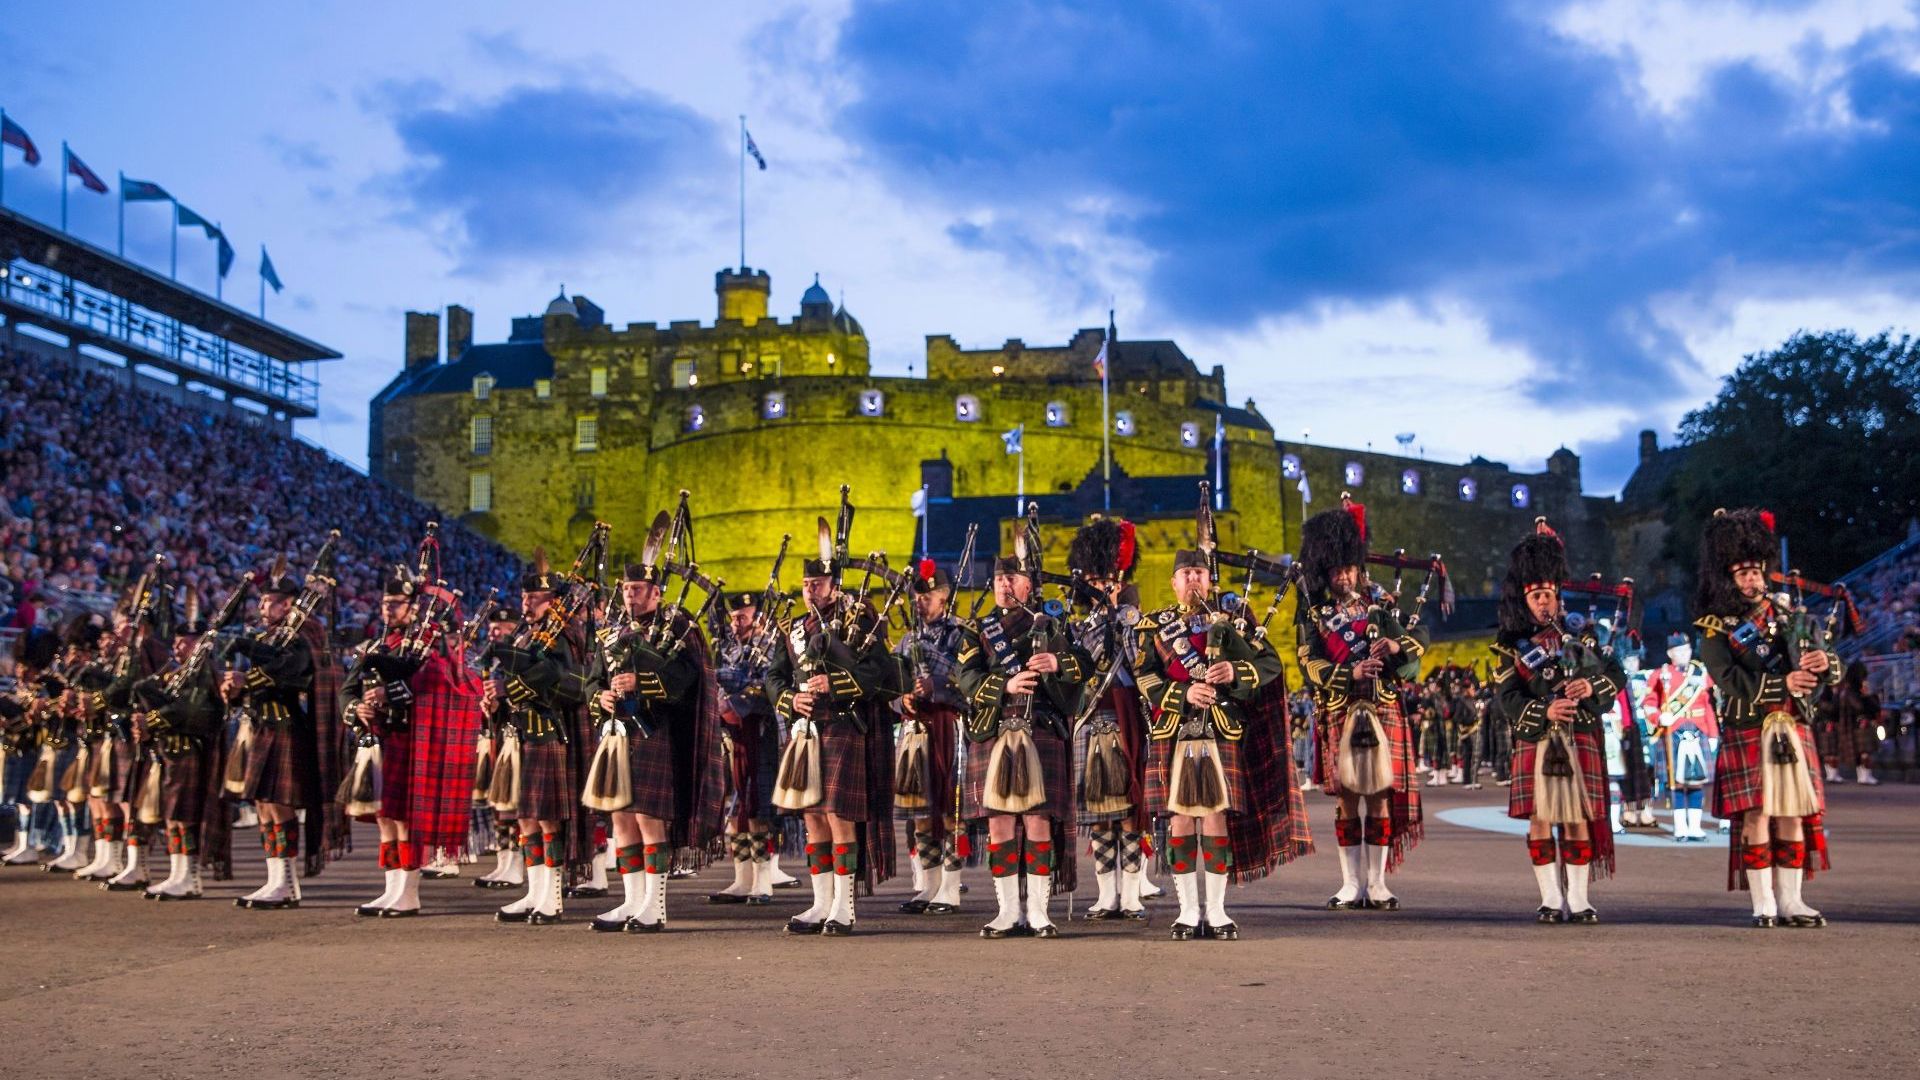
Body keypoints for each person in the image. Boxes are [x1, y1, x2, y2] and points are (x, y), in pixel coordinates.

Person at [1694, 508, 1840, 928]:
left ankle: (1792, 900)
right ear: (1729, 578)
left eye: (1756, 572)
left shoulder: (1792, 618)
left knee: (1792, 812)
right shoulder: (1716, 627)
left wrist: (1822, 662)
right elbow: (1727, 677)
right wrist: (1783, 685)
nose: (1752, 580)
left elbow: (1834, 666)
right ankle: (1763, 904)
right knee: (1757, 813)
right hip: (1749, 726)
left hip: (1792, 726)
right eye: (1742, 573)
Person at [1134, 546, 1288, 940]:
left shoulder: (1235, 621)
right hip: (1175, 730)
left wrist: (1235, 670)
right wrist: (1182, 695)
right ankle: (1188, 911)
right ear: (1173, 583)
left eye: (1199, 572)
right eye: (1185, 574)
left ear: (1210, 579)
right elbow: (1145, 678)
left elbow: (1271, 664)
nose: (1193, 579)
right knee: (1182, 820)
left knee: (1216, 816)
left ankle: (1217, 911)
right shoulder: (1154, 626)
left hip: (1222, 729)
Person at [582, 553, 727, 933]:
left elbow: (686, 681)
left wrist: (641, 684)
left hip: (657, 733)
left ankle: (654, 905)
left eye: (638, 589)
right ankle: (631, 901)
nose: (630, 595)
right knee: (621, 817)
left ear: (656, 593)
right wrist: (600, 697)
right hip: (620, 734)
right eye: (627, 589)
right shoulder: (614, 631)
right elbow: (593, 678)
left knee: (649, 819)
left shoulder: (679, 627)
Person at [765, 530, 900, 936]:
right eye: (806, 585)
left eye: (818, 584)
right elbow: (774, 676)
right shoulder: (793, 628)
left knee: (838, 814)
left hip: (845, 724)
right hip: (806, 729)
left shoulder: (861, 618)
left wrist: (835, 684)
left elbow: (881, 674)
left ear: (834, 585)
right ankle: (820, 902)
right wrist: (789, 700)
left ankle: (844, 906)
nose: (810, 591)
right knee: (811, 815)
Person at [1490, 519, 1621, 925]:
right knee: (1542, 818)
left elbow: (1616, 676)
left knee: (1578, 816)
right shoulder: (1510, 645)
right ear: (1525, 599)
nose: (1544, 603)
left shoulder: (1586, 637)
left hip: (1579, 734)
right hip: (1539, 738)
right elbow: (1507, 698)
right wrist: (1543, 711)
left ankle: (1579, 900)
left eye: (1549, 594)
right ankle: (1550, 898)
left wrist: (1590, 685)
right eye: (1536, 596)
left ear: (1559, 593)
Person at [1295, 501, 1423, 911]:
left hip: (1381, 705)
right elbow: (1308, 663)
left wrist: (1396, 645)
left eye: (1349, 568)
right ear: (1326, 573)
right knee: (1348, 796)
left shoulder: (1380, 607)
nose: (1344, 575)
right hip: (1341, 707)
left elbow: (1416, 655)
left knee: (1381, 795)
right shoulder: (1316, 613)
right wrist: (1347, 674)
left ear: (1359, 568)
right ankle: (1351, 884)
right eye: (1336, 570)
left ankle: (1378, 883)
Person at [956, 548, 1086, 939]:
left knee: (1037, 820)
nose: (1004, 585)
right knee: (999, 822)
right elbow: (966, 677)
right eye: (998, 579)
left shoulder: (1053, 624)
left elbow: (1086, 664)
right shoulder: (977, 628)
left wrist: (1058, 663)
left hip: (1040, 728)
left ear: (1029, 585)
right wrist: (1005, 684)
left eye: (1012, 579)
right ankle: (1008, 911)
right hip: (994, 729)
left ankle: (1038, 912)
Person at [481, 552, 592, 926]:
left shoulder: (561, 635)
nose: (527, 603)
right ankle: (533, 892)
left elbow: (559, 679)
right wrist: (494, 698)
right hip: (522, 734)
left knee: (547, 820)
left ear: (552, 602)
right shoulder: (525, 635)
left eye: (535, 599)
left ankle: (552, 897)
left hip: (548, 734)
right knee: (525, 818)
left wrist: (509, 686)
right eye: (525, 597)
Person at [1066, 516, 1152, 921]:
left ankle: (1132, 893)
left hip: (1127, 718)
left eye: (1108, 581)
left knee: (1130, 812)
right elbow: (1078, 670)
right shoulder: (1078, 625)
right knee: (1099, 812)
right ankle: (1105, 893)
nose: (1102, 588)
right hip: (1091, 717)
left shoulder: (1138, 621)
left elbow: (1141, 663)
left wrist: (1123, 615)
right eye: (1097, 582)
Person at [891, 562, 972, 916]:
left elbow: (972, 684)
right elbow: (889, 683)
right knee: (920, 812)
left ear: (944, 596)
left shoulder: (962, 635)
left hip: (949, 726)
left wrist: (937, 686)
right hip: (916, 731)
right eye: (917, 596)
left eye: (927, 595)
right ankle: (928, 886)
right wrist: (902, 698)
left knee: (951, 809)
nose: (920, 602)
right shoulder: (908, 640)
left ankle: (950, 890)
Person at [709, 593, 783, 905]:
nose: (737, 623)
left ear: (758, 618)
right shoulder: (724, 648)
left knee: (758, 806)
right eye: (734, 617)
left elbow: (768, 686)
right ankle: (742, 879)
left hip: (761, 731)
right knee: (736, 806)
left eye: (744, 617)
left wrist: (736, 700)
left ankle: (763, 881)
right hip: (733, 734)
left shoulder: (770, 647)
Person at [1646, 631, 1720, 841]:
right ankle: (1680, 827)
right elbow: (1649, 703)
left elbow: (1708, 706)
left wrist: (1712, 733)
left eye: (1686, 650)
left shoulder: (1701, 673)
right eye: (1678, 651)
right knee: (1676, 782)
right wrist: (1660, 718)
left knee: (1697, 781)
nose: (1683, 654)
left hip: (1699, 730)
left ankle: (1695, 827)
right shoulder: (1660, 674)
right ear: (1670, 653)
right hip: (1673, 732)